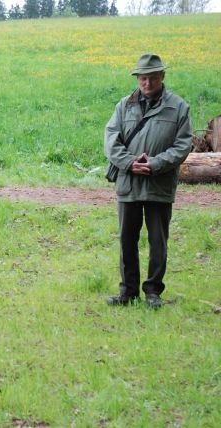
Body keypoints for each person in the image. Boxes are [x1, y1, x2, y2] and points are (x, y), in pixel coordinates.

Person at [104, 54, 192, 309]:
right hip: (128, 182)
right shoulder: (124, 106)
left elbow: (183, 145)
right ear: (138, 78)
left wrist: (154, 164)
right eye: (143, 78)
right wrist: (130, 162)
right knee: (126, 240)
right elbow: (111, 139)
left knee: (158, 241)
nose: (147, 83)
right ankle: (128, 292)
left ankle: (153, 292)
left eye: (153, 77)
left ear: (162, 76)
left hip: (159, 184)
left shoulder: (178, 107)